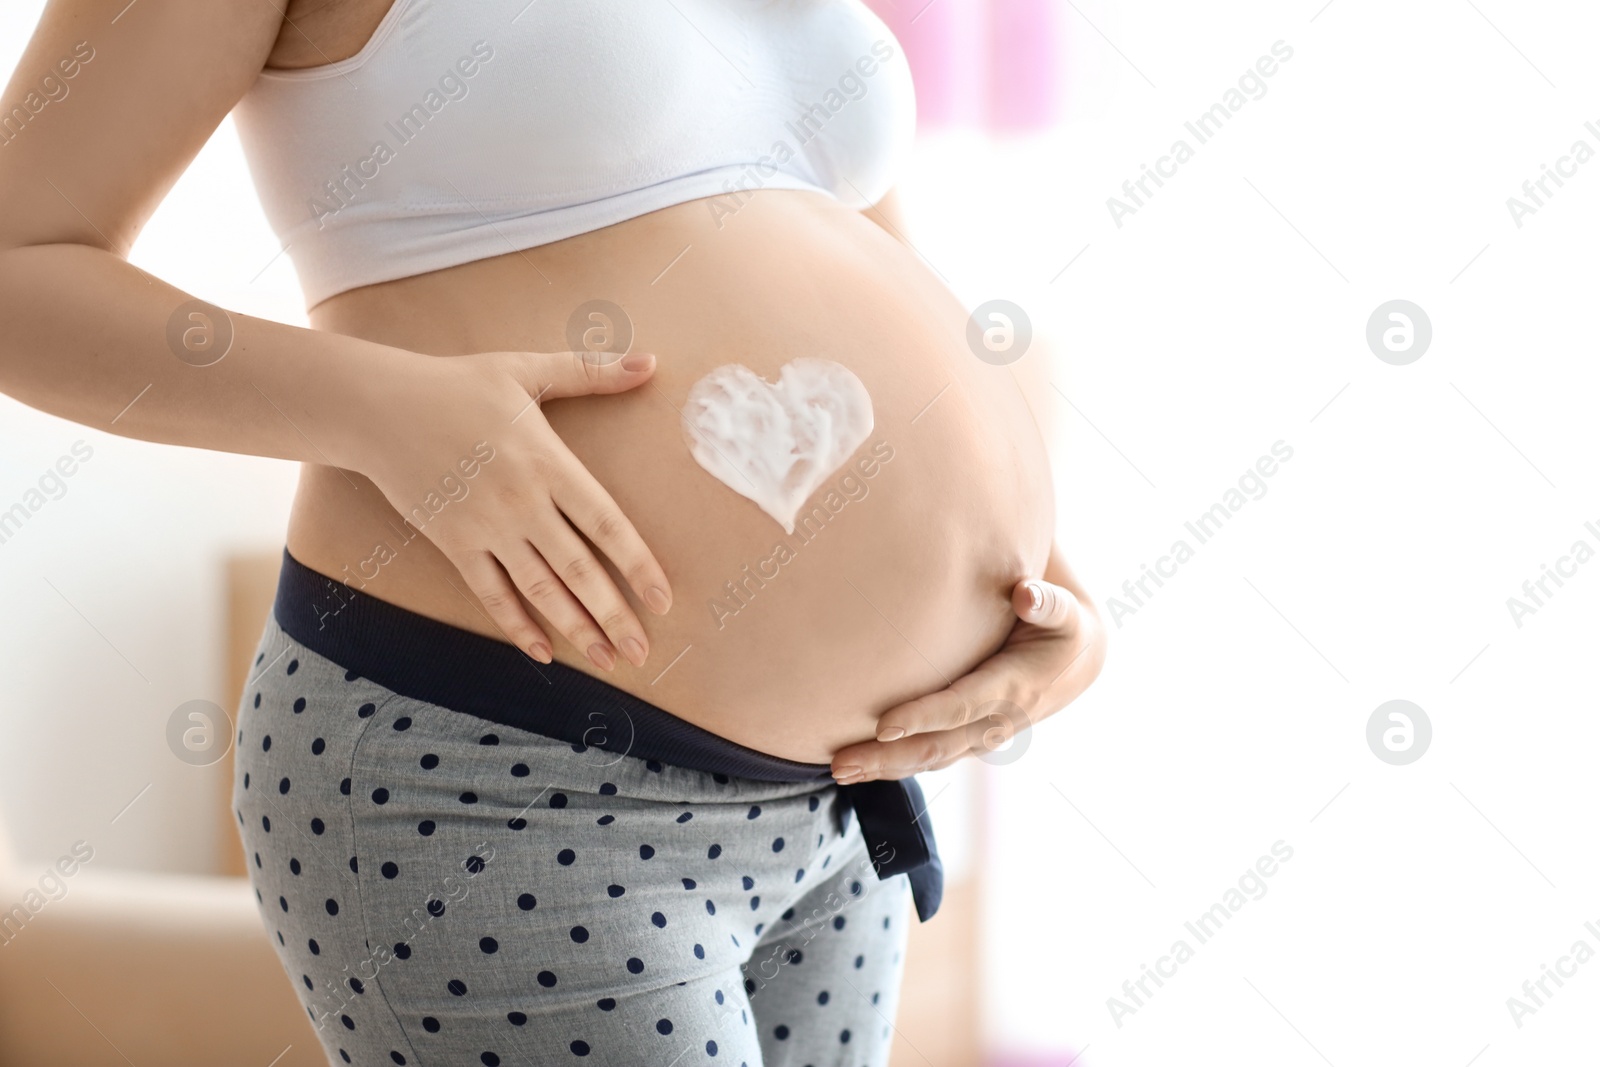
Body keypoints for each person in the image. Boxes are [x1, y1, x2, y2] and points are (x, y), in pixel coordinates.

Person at [0, 1, 1106, 1063]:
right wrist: (384, 408)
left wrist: (1048, 594)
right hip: (503, 766)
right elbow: (20, 271)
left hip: (839, 797)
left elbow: (858, 235)